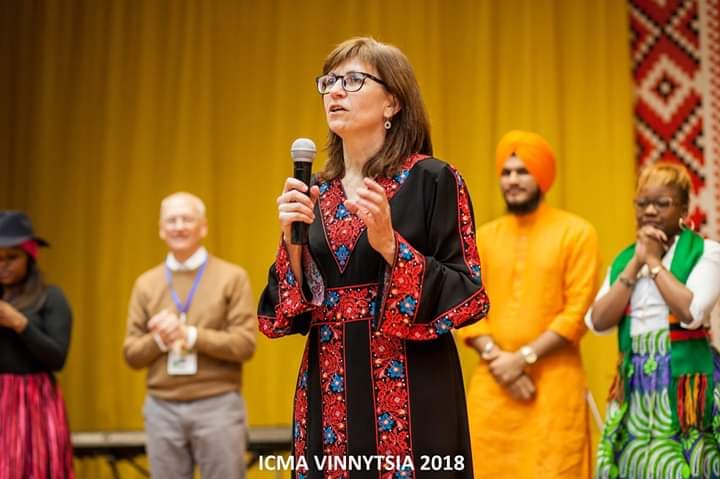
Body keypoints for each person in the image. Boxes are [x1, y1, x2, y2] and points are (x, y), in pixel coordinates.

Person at [258, 37, 489, 478]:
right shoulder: (315, 191)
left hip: (413, 388)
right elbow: (282, 315)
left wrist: (390, 245)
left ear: (392, 103)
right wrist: (292, 245)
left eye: (352, 80)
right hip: (329, 385)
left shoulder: (433, 179)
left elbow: (468, 293)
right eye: (329, 81)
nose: (335, 91)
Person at [457, 130, 600, 478]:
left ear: (542, 176)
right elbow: (468, 307)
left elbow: (577, 313)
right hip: (493, 386)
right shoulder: (484, 237)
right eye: (506, 172)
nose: (513, 180)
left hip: (553, 388)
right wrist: (500, 362)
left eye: (523, 171)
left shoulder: (576, 233)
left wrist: (522, 360)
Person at [587, 162, 720, 479]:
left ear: (684, 208)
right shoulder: (625, 260)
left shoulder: (707, 252)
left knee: (687, 464)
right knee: (634, 466)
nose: (649, 211)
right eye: (642, 203)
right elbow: (597, 321)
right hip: (636, 384)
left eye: (662, 203)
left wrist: (652, 260)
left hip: (686, 384)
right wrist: (636, 264)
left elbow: (691, 313)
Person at [123, 192, 257, 479]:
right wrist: (160, 339)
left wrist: (191, 335)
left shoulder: (232, 277)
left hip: (218, 404)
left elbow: (245, 345)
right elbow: (131, 354)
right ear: (161, 229)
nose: (179, 226)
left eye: (187, 219)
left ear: (203, 227)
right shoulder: (146, 284)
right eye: (172, 220)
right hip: (161, 409)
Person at [0, 211, 74, 478]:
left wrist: (20, 324)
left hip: (33, 403)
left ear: (30, 257)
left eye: (12, 257)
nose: (3, 265)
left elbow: (57, 358)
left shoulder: (50, 297)